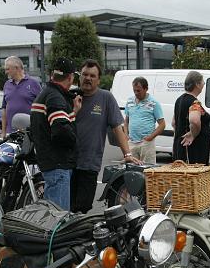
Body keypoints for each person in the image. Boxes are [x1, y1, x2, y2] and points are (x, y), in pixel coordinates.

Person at [73, 59, 139, 214]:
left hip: (89, 163)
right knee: (65, 206)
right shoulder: (71, 96)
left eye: (92, 76)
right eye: (85, 74)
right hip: (67, 162)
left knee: (83, 206)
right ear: (79, 77)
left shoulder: (106, 98)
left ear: (98, 80)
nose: (88, 78)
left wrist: (127, 154)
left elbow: (117, 128)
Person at [30, 57, 81, 210]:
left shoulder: (45, 94)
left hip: (49, 162)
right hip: (58, 164)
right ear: (70, 77)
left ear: (53, 75)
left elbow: (52, 123)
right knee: (58, 217)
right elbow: (60, 130)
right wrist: (74, 142)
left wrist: (73, 113)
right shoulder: (55, 98)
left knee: (52, 212)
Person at [124, 76, 165, 164]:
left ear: (146, 89)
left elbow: (162, 125)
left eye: (138, 90)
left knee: (148, 170)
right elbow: (126, 120)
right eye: (134, 90)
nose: (136, 93)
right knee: (132, 171)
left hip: (146, 143)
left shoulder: (154, 103)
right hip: (132, 142)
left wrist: (151, 137)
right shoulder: (129, 101)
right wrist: (126, 135)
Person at [172, 71, 210, 164]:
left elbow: (174, 122)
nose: (203, 84)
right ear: (197, 84)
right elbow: (194, 121)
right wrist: (193, 134)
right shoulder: (194, 103)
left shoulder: (179, 100)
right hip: (192, 149)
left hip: (180, 145)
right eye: (202, 82)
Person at [1, 56, 42, 137]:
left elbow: (42, 107)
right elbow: (4, 109)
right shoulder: (7, 84)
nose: (6, 72)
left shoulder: (34, 83)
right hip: (11, 133)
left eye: (7, 69)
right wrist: (3, 132)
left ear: (16, 68)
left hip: (30, 133)